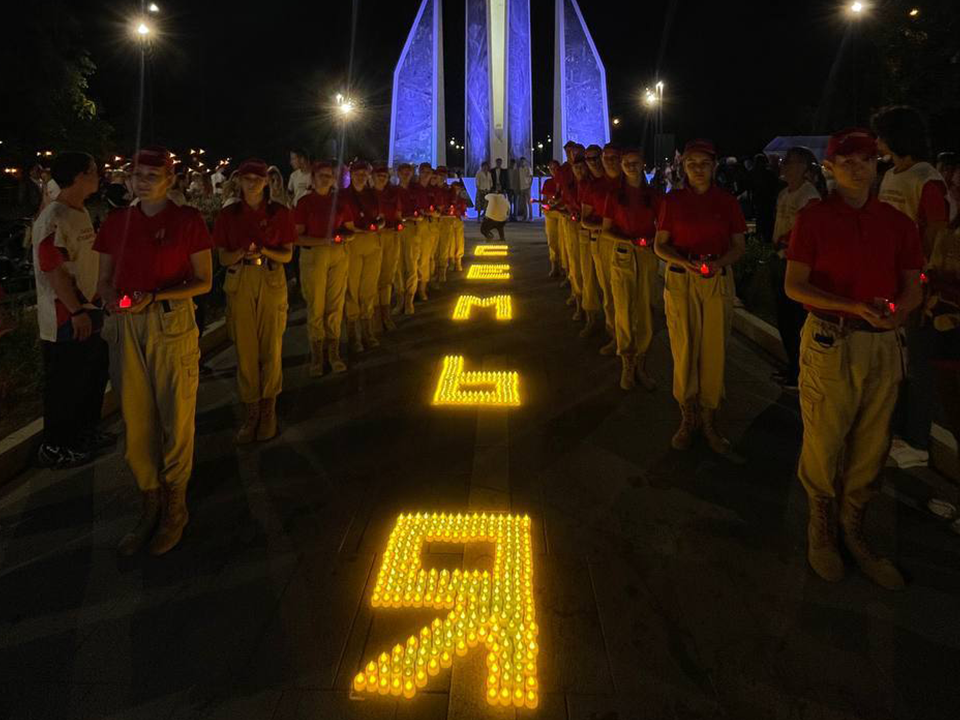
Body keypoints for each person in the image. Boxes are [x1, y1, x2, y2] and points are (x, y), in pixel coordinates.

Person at [784, 127, 924, 589]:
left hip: (883, 343)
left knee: (872, 441)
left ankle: (854, 525)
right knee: (824, 436)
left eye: (865, 158)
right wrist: (851, 306)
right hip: (832, 339)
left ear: (876, 164)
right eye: (846, 160)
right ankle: (820, 525)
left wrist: (901, 310)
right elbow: (794, 285)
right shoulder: (815, 219)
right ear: (831, 167)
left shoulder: (898, 223)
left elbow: (912, 282)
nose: (856, 166)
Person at [94, 146, 213, 557]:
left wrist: (158, 294)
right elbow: (104, 278)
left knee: (175, 417)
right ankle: (149, 500)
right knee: (136, 417)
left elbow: (203, 280)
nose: (142, 182)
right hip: (127, 326)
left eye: (151, 175)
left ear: (170, 180)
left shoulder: (187, 220)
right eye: (136, 175)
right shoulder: (116, 222)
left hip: (170, 321)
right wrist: (111, 299)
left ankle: (176, 505)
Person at [870, 106, 951, 470]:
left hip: (913, 284)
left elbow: (936, 232)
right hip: (885, 279)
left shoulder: (925, 177)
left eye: (880, 134)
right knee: (896, 362)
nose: (876, 142)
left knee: (917, 364)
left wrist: (922, 279)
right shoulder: (890, 175)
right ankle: (899, 431)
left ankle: (918, 440)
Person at [654, 139, 746, 455]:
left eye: (704, 163)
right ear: (683, 166)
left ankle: (709, 418)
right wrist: (684, 262)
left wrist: (718, 264)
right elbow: (660, 245)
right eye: (691, 163)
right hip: (682, 278)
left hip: (716, 279)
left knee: (714, 350)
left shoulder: (727, 202)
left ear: (714, 166)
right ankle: (687, 415)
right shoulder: (673, 201)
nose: (698, 169)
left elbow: (738, 246)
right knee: (684, 346)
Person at [32, 152, 111, 469]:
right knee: (66, 384)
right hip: (67, 317)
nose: (99, 175)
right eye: (94, 171)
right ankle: (56, 445)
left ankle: (84, 433)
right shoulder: (55, 216)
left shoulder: (79, 212)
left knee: (90, 379)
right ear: (79, 176)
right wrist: (77, 311)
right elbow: (53, 270)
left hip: (88, 310)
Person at [212, 159, 295, 444]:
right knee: (245, 350)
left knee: (271, 346)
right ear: (238, 181)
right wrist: (239, 254)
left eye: (257, 179)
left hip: (271, 278)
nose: (252, 184)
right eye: (246, 179)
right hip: (240, 280)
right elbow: (222, 257)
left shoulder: (280, 213)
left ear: (266, 182)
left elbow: (287, 255)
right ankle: (252, 409)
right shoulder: (228, 215)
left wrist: (265, 250)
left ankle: (269, 408)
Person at [601, 148, 660, 392]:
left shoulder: (654, 195)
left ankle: (641, 363)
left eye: (635, 163)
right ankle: (627, 360)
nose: (631, 167)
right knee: (623, 308)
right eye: (627, 163)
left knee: (645, 308)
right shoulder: (614, 195)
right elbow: (607, 230)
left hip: (646, 256)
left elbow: (663, 227)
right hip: (623, 255)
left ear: (643, 164)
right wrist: (630, 241)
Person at [770, 147, 823, 390]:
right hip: (780, 259)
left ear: (803, 167)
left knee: (796, 320)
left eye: (789, 162)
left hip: (797, 264)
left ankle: (800, 369)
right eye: (784, 161)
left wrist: (785, 240)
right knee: (784, 318)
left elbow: (807, 232)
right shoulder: (784, 195)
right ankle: (793, 364)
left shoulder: (809, 196)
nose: (784, 166)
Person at [294, 161, 353, 376]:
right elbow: (297, 237)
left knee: (335, 305)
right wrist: (323, 241)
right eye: (322, 175)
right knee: (316, 306)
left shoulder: (339, 203)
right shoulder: (305, 203)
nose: (326, 178)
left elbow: (349, 230)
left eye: (330, 175)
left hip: (337, 255)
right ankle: (317, 356)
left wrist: (343, 237)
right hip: (314, 256)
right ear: (313, 178)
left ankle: (334, 352)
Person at [580, 143, 622, 346]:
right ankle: (614, 333)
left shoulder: (627, 183)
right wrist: (603, 226)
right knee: (607, 290)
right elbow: (584, 218)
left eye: (599, 157)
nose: (595, 162)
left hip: (628, 247)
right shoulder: (593, 186)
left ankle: (630, 340)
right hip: (602, 242)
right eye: (591, 159)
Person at [343, 160, 384, 352]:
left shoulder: (372, 195)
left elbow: (380, 217)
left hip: (372, 243)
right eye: (357, 173)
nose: (361, 176)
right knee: (352, 288)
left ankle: (368, 330)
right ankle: (353, 334)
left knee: (369, 287)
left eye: (364, 173)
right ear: (351, 174)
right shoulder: (343, 196)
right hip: (353, 245)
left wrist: (379, 225)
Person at [373, 165, 401, 331]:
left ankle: (386, 313)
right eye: (378, 175)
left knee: (387, 276)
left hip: (390, 236)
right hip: (373, 239)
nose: (382, 178)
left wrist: (397, 225)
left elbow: (398, 216)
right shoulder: (368, 195)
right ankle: (375, 316)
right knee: (373, 278)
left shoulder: (392, 194)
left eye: (384, 175)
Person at [394, 162, 420, 315]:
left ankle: (409, 299)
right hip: (396, 230)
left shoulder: (414, 191)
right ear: (398, 174)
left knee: (411, 264)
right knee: (398, 266)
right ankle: (400, 299)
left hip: (411, 228)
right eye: (403, 173)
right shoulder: (393, 191)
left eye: (408, 173)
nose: (405, 175)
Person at [414, 163, 439, 301]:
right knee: (413, 260)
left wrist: (433, 212)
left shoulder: (431, 190)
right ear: (419, 172)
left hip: (427, 225)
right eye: (423, 172)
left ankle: (422, 288)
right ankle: (410, 289)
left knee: (425, 258)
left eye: (428, 172)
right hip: (414, 225)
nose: (426, 175)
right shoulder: (414, 188)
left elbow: (436, 207)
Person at [540, 160, 564, 278]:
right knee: (552, 239)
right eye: (551, 168)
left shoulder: (564, 181)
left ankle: (565, 267)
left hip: (562, 213)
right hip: (550, 213)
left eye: (555, 168)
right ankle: (555, 264)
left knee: (563, 241)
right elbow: (544, 199)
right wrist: (546, 206)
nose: (553, 171)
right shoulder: (548, 182)